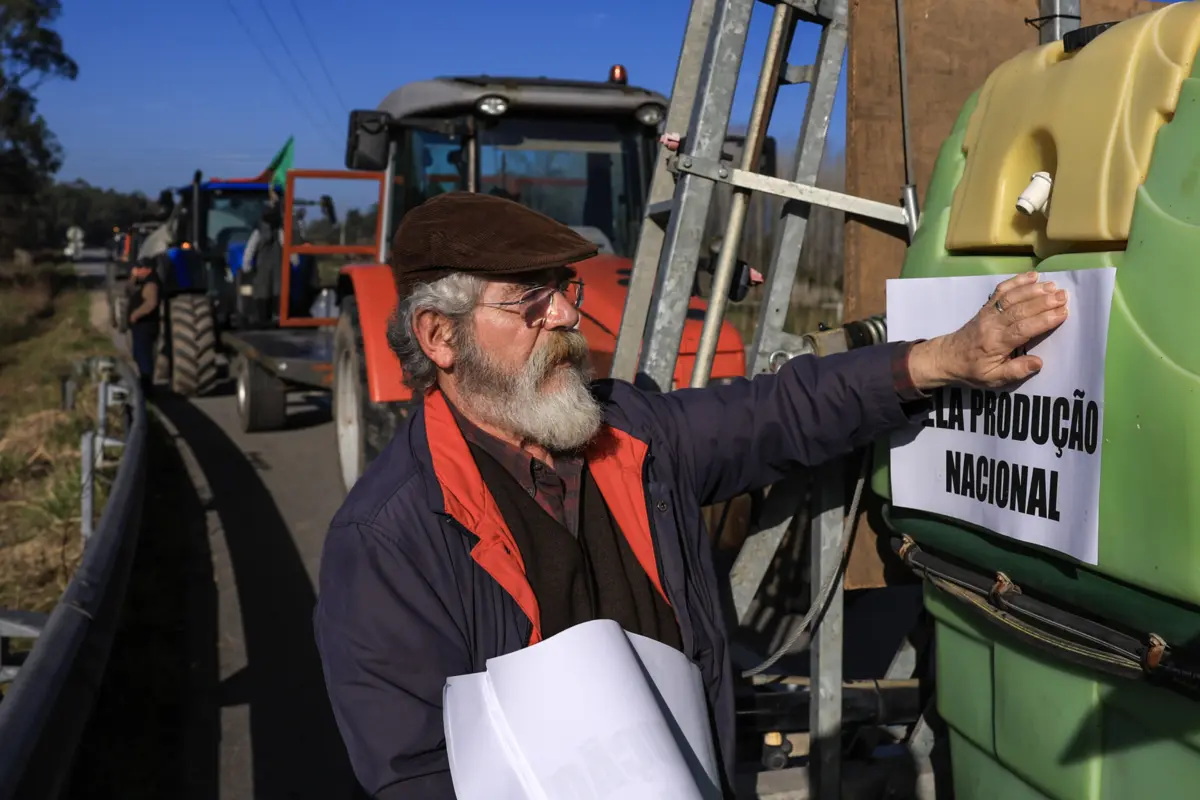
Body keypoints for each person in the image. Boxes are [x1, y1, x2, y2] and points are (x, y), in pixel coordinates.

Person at [313, 192, 1069, 798]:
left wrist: (943, 359)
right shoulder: (388, 538)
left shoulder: (630, 432)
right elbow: (412, 772)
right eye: (528, 304)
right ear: (440, 338)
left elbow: (777, 412)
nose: (570, 320)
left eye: (563, 293)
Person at [241, 202, 283, 327]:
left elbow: (250, 250)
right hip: (276, 269)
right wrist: (294, 262)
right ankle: (274, 317)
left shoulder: (259, 231)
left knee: (264, 291)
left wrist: (246, 266)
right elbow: (288, 247)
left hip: (264, 268)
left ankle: (263, 318)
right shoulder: (279, 231)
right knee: (276, 290)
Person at [126, 257, 162, 396]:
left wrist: (136, 314)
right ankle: (144, 382)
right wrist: (133, 278)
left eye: (140, 268)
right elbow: (128, 290)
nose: (137, 270)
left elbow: (151, 303)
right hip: (140, 326)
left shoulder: (151, 283)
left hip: (145, 326)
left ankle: (147, 386)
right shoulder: (142, 282)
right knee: (138, 354)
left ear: (148, 269)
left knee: (144, 355)